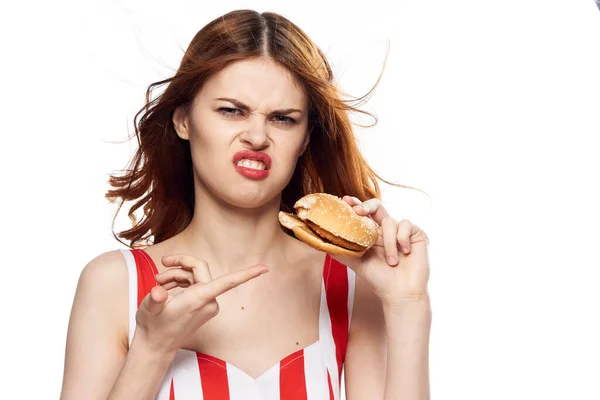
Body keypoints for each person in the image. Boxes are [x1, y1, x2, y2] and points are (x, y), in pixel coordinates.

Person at [60, 9, 432, 400]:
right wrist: (152, 350)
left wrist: (408, 305)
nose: (257, 136)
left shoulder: (350, 285)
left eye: (283, 119)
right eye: (231, 111)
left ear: (305, 139)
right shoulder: (114, 284)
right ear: (183, 121)